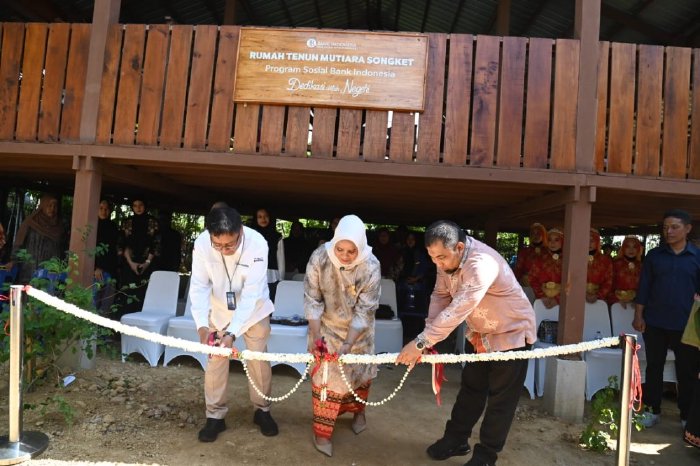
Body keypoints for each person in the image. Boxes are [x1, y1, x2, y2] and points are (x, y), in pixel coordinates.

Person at [396, 220, 536, 466]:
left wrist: (419, 343)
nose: (437, 263)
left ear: (459, 247)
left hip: (511, 334)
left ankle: (485, 456)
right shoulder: (445, 260)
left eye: (441, 257)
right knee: (471, 390)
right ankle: (456, 439)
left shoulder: (481, 264)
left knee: (500, 401)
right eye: (432, 257)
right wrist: (429, 335)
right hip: (480, 335)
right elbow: (440, 295)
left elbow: (458, 309)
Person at [190, 206, 278, 442]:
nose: (224, 250)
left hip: (254, 311)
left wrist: (231, 333)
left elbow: (251, 296)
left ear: (241, 231)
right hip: (218, 309)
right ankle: (215, 416)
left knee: (257, 360)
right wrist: (201, 326)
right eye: (217, 245)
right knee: (215, 361)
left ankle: (262, 410)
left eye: (230, 245)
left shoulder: (258, 243)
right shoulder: (201, 244)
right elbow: (198, 286)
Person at [304, 214, 381, 457]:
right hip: (324, 328)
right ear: (334, 242)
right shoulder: (319, 258)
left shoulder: (371, 266)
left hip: (359, 333)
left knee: (359, 377)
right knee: (325, 381)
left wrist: (349, 342)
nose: (345, 255)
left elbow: (365, 309)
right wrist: (316, 336)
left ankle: (359, 413)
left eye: (351, 250)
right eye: (340, 249)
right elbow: (312, 299)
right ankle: (322, 432)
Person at [633, 209, 700, 428]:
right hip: (655, 322)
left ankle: (685, 415)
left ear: (687, 229)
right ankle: (652, 410)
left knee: (687, 370)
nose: (668, 231)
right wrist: (639, 315)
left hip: (686, 325)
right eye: (665, 227)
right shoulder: (654, 256)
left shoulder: (697, 257)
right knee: (654, 367)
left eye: (674, 227)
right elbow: (644, 287)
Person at [117, 197, 160, 315]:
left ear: (145, 206)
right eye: (135, 205)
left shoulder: (153, 222)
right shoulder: (127, 222)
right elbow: (122, 244)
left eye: (140, 205)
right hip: (129, 265)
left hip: (148, 265)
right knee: (129, 293)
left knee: (145, 293)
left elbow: (156, 244)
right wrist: (131, 263)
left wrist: (147, 263)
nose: (138, 208)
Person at [11, 193, 64, 284]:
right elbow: (19, 243)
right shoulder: (30, 222)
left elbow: (62, 249)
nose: (52, 209)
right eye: (49, 205)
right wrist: (13, 261)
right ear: (43, 206)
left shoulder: (59, 226)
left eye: (55, 206)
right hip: (30, 268)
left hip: (51, 271)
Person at [250, 208, 285, 301]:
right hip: (253, 275)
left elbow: (280, 258)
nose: (263, 219)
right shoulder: (250, 236)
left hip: (272, 275)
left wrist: (281, 277)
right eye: (260, 217)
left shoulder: (277, 237)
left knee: (271, 303)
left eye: (266, 216)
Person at [94, 200, 120, 315]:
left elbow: (114, 250)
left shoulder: (113, 227)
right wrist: (96, 267)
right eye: (101, 208)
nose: (104, 211)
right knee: (92, 303)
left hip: (110, 271)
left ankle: (101, 331)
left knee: (106, 305)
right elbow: (89, 249)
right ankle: (90, 332)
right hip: (95, 272)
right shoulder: (92, 225)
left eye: (106, 209)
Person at [528, 228, 564, 309]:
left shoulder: (568, 260)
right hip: (542, 301)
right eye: (549, 239)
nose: (552, 243)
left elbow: (572, 282)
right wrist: (542, 296)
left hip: (564, 301)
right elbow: (532, 278)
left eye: (556, 240)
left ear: (562, 241)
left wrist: (558, 299)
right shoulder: (540, 258)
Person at [607, 235, 643, 308]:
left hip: (634, 305)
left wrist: (638, 300)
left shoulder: (641, 266)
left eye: (634, 247)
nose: (631, 250)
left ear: (638, 249)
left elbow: (644, 286)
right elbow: (608, 284)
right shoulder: (615, 264)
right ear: (623, 248)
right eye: (628, 246)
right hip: (616, 304)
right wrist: (616, 299)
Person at [513, 222, 548, 287]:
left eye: (538, 233)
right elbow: (518, 269)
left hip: (544, 287)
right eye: (533, 234)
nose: (536, 236)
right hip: (527, 285)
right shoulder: (524, 252)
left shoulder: (548, 252)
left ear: (543, 235)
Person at [586, 228, 613, 304]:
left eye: (592, 241)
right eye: (586, 240)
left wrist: (598, 295)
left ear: (597, 242)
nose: (589, 243)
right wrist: (582, 294)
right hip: (578, 297)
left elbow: (609, 281)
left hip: (599, 300)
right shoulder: (575, 258)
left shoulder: (606, 260)